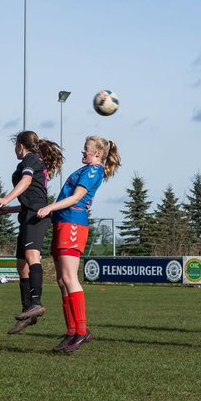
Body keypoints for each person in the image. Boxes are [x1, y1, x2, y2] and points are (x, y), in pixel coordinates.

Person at [37, 135, 120, 353]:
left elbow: (76, 198)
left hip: (73, 223)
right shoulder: (86, 169)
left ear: (98, 153)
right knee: (62, 281)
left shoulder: (94, 170)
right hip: (63, 222)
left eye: (86, 149)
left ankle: (81, 331)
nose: (82, 152)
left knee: (69, 278)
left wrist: (50, 207)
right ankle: (72, 331)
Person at [0, 130, 64, 334]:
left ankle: (36, 303)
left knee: (32, 257)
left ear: (20, 145)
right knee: (21, 265)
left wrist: (6, 199)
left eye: (15, 146)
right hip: (28, 214)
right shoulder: (28, 162)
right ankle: (27, 311)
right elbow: (30, 199)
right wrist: (8, 210)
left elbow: (27, 182)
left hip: (37, 217)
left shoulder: (31, 158)